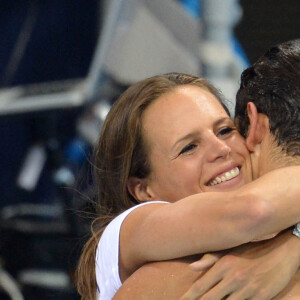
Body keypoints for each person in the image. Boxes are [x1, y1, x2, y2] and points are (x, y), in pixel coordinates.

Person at [76, 71, 300, 300]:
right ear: (143, 190)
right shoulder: (128, 228)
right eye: (189, 147)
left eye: (224, 130)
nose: (221, 149)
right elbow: (252, 210)